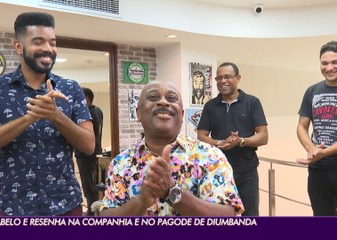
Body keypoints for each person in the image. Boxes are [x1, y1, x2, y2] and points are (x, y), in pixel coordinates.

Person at [0, 12, 95, 216]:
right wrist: (29, 118)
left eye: (52, 42)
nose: (48, 48)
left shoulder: (71, 88)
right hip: (13, 207)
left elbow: (89, 145)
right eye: (38, 41)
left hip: (65, 206)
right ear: (18, 46)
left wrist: (55, 115)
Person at [100, 80, 244, 216]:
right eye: (153, 97)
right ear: (138, 113)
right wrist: (140, 202)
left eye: (171, 98)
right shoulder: (121, 163)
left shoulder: (210, 156)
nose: (163, 101)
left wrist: (172, 193)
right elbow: (105, 218)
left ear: (181, 115)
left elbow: (227, 217)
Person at [197, 62, 268, 216]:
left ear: (238, 78)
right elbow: (201, 135)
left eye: (227, 77)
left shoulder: (252, 102)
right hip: (217, 171)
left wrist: (241, 141)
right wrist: (219, 143)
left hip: (246, 172)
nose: (223, 81)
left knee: (250, 216)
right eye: (219, 78)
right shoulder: (210, 106)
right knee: (220, 216)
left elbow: (263, 136)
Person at [296, 41, 337, 216]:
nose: (329, 67)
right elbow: (302, 126)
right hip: (318, 169)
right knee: (322, 220)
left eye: (334, 62)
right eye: (324, 63)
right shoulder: (312, 91)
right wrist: (311, 149)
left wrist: (324, 153)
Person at [75, 87, 103, 216]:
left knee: (88, 185)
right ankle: (94, 210)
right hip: (97, 152)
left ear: (86, 99)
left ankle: (91, 214)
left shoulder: (86, 113)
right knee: (94, 183)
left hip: (85, 154)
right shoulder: (98, 110)